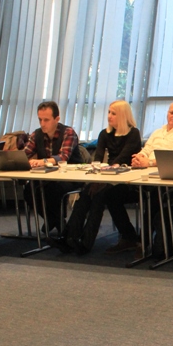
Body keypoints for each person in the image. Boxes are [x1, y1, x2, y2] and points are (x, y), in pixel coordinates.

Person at [104, 101, 173, 257]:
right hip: (144, 178)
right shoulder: (157, 132)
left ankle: (144, 242)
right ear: (167, 113)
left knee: (152, 198)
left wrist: (150, 162)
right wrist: (139, 158)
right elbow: (146, 150)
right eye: (172, 112)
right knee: (111, 194)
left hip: (168, 183)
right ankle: (129, 237)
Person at [52, 100, 141, 254]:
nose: (109, 116)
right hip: (107, 176)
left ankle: (85, 242)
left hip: (128, 180)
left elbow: (121, 158)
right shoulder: (104, 134)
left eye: (114, 113)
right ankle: (69, 237)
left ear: (123, 115)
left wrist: (103, 179)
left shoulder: (133, 134)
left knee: (100, 195)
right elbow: (98, 159)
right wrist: (97, 177)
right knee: (86, 193)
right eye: (109, 112)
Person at [23, 101, 82, 233]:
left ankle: (56, 222)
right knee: (29, 190)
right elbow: (25, 153)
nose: (42, 124)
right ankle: (56, 221)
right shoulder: (37, 134)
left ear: (57, 119)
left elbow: (63, 157)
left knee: (52, 190)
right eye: (40, 119)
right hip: (48, 177)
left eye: (46, 120)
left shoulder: (68, 132)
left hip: (70, 176)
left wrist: (42, 161)